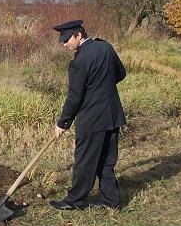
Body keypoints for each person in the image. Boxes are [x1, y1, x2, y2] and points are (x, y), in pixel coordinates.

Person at [49, 19, 127, 210]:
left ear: (79, 35)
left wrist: (62, 123)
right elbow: (121, 73)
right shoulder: (105, 47)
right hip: (112, 115)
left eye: (67, 39)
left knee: (85, 162)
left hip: (92, 120)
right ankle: (111, 200)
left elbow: (74, 98)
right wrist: (102, 85)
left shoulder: (79, 62)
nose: (64, 44)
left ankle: (74, 201)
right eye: (62, 41)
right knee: (107, 162)